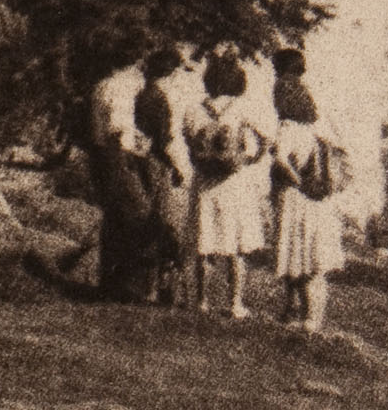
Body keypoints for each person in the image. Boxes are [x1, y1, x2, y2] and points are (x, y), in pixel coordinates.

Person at [181, 52, 272, 317]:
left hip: (205, 181)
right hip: (234, 181)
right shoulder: (242, 108)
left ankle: (200, 300)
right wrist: (250, 158)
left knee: (203, 243)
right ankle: (235, 303)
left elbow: (189, 143)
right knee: (236, 246)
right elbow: (265, 139)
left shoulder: (193, 110)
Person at [84, 40, 165, 303]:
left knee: (114, 221)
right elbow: (118, 131)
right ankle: (138, 288)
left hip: (102, 157)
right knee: (141, 219)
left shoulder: (101, 86)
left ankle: (110, 283)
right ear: (133, 63)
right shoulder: (119, 90)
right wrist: (135, 156)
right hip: (119, 158)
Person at [268, 52, 344, 332]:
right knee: (314, 260)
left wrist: (296, 180)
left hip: (295, 199)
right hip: (318, 200)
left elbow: (280, 162)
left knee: (297, 258)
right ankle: (310, 318)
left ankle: (304, 317)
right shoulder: (314, 128)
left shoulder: (287, 128)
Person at [133, 47, 194, 304]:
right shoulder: (159, 99)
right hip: (158, 164)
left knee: (152, 221)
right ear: (170, 73)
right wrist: (179, 167)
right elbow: (165, 141)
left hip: (142, 161)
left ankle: (150, 287)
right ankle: (158, 289)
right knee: (162, 224)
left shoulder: (144, 94)